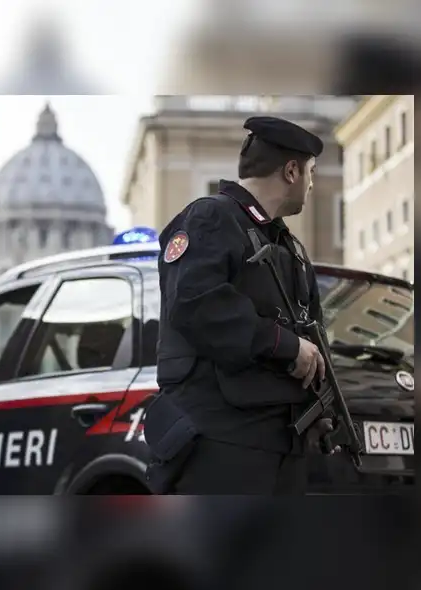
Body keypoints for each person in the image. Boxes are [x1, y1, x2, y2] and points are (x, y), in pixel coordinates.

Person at [144, 116, 336, 495]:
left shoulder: (289, 247)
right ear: (292, 171)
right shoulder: (211, 217)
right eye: (312, 172)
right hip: (223, 444)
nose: (313, 184)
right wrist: (284, 345)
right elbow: (197, 303)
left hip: (282, 447)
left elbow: (312, 330)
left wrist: (322, 406)